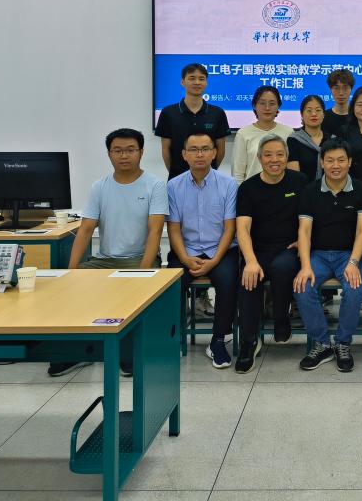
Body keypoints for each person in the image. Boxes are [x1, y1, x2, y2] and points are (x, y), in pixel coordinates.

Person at [50, 128, 168, 378]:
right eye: (118, 151)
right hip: (103, 261)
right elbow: (85, 230)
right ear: (109, 154)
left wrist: (144, 271)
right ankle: (77, 351)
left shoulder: (155, 185)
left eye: (130, 150)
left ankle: (128, 352)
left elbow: (155, 230)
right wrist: (71, 272)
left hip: (139, 259)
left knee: (133, 294)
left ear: (141, 152)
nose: (124, 155)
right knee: (67, 289)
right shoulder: (100, 186)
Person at [293, 139, 362, 373]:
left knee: (354, 288)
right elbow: (304, 231)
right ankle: (322, 343)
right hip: (318, 254)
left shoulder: (361, 190)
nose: (335, 165)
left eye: (340, 160)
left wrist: (354, 262)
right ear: (322, 163)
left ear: (350, 162)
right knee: (302, 286)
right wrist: (305, 266)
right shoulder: (310, 191)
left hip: (349, 254)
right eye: (330, 160)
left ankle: (343, 343)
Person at [235, 134, 307, 373]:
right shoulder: (248, 188)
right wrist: (250, 261)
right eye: (268, 155)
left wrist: (302, 241)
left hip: (289, 248)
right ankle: (248, 343)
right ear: (259, 158)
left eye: (279, 154)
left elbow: (309, 218)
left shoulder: (300, 182)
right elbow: (242, 228)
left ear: (287, 157)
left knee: (281, 268)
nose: (274, 160)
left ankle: (281, 318)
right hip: (257, 250)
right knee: (249, 279)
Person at [167, 131, 239, 369]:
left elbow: (230, 228)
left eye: (205, 149)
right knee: (171, 285)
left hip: (221, 249)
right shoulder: (174, 186)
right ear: (184, 154)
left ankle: (218, 341)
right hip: (186, 250)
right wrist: (186, 258)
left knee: (228, 281)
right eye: (194, 150)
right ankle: (169, 338)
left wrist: (215, 260)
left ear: (214, 153)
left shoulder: (228, 184)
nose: (200, 154)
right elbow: (174, 229)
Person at [155, 63, 230, 179]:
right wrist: (178, 177)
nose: (197, 82)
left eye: (201, 79)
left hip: (209, 179)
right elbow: (166, 150)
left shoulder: (217, 113)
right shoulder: (168, 112)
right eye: (192, 78)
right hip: (178, 178)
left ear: (206, 82)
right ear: (182, 82)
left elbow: (220, 150)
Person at [232, 85, 293, 183]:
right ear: (254, 106)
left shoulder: (288, 132)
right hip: (252, 189)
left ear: (278, 106)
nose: (267, 108)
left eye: (272, 103)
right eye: (262, 103)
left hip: (282, 188)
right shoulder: (243, 133)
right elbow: (237, 173)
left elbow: (291, 168)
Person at [287, 94, 326, 180]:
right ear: (301, 115)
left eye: (318, 110)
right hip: (302, 187)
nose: (314, 114)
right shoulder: (293, 140)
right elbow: (294, 177)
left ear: (323, 114)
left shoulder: (332, 140)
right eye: (309, 111)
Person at [321, 68, 354, 137]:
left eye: (345, 88)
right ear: (330, 89)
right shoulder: (322, 117)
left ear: (351, 89)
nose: (341, 93)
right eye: (336, 88)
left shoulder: (358, 116)